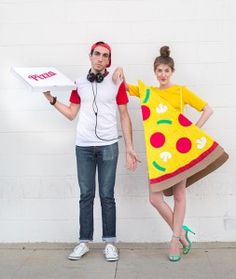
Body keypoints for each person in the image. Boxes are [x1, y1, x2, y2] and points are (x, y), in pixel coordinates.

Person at [113, 46, 228, 262]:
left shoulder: (181, 91)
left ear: (172, 72)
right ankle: (182, 231)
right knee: (155, 198)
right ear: (154, 72)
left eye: (166, 71)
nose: (163, 75)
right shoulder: (149, 92)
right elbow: (125, 86)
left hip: (179, 153)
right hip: (159, 154)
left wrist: (192, 130)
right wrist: (119, 68)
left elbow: (207, 109)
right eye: (159, 71)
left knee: (179, 196)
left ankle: (175, 239)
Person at [43, 41, 139, 262]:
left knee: (107, 196)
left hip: (108, 146)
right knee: (86, 195)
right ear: (90, 56)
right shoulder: (79, 84)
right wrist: (52, 100)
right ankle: (83, 242)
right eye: (97, 54)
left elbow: (124, 115)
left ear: (109, 60)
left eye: (105, 56)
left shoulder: (117, 82)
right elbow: (71, 113)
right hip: (84, 146)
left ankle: (109, 243)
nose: (100, 58)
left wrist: (129, 148)